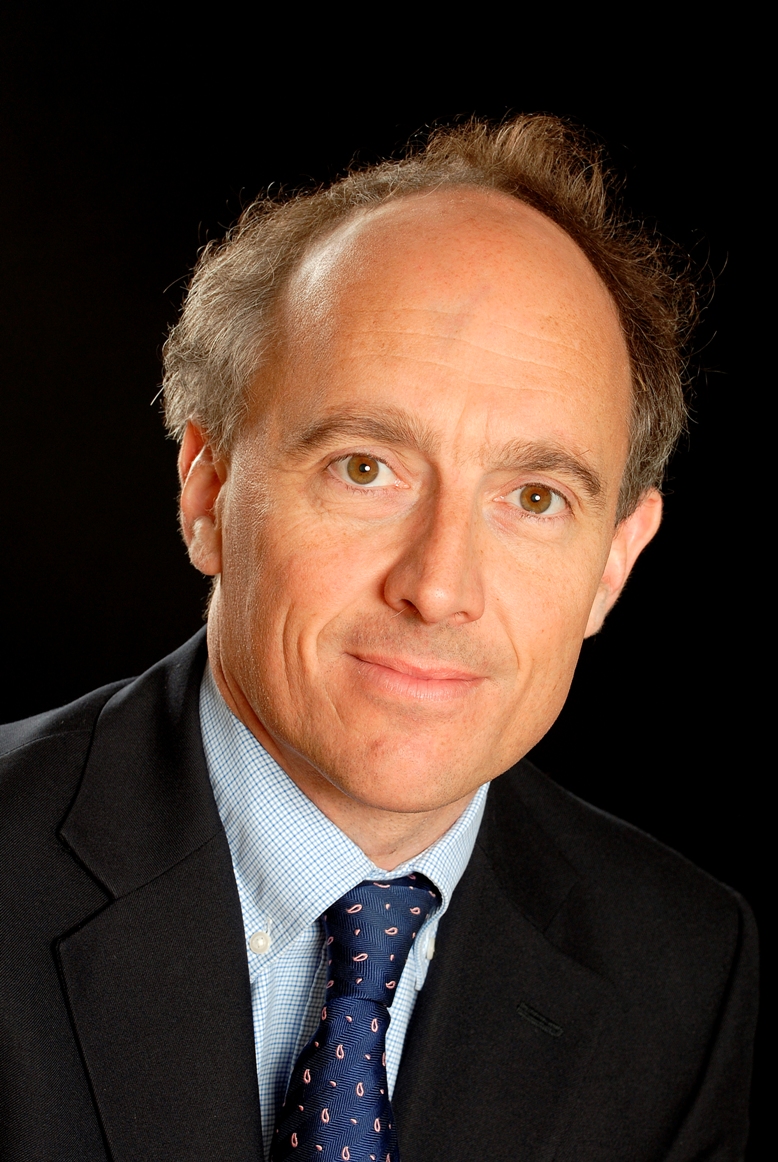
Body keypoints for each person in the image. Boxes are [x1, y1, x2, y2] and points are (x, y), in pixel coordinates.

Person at [0, 115, 757, 1161]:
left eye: (535, 497)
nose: (438, 587)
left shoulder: (680, 966)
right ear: (208, 492)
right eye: (365, 468)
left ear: (615, 562)